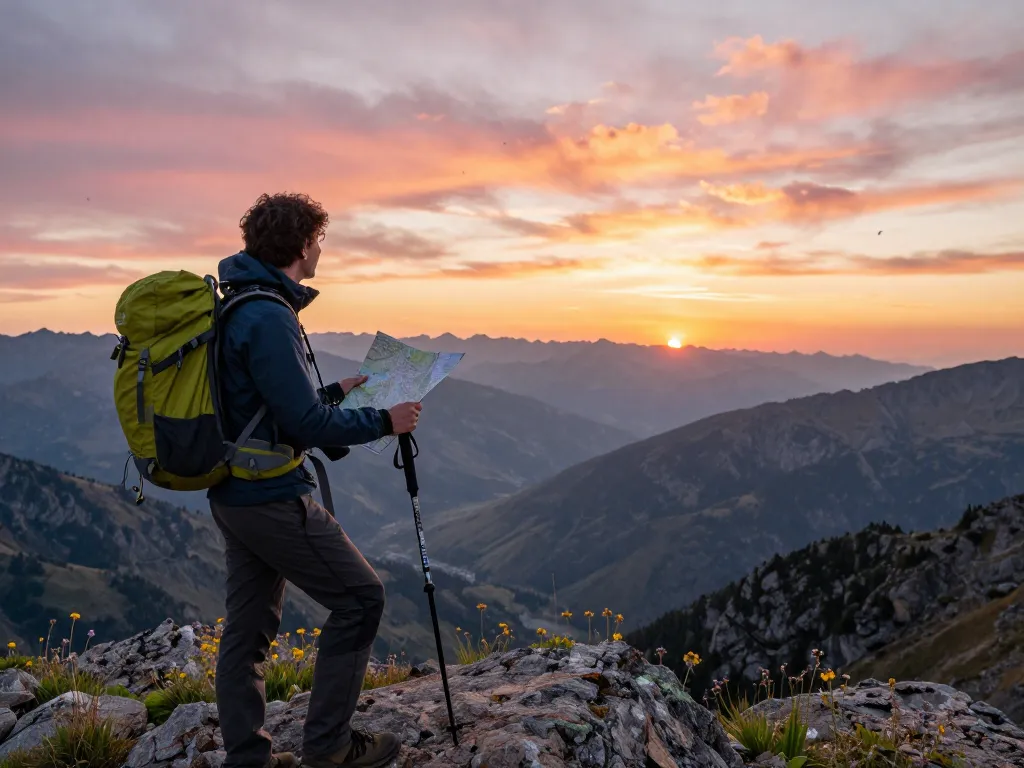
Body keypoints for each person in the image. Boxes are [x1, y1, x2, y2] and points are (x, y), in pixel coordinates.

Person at [209, 192, 419, 768]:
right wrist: (385, 419)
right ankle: (328, 747)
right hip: (272, 496)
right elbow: (302, 424)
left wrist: (333, 393)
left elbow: (265, 407)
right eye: (319, 240)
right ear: (303, 245)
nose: (322, 249)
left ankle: (248, 759)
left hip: (235, 493)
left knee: (248, 630)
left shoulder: (243, 306)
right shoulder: (268, 315)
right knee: (361, 599)